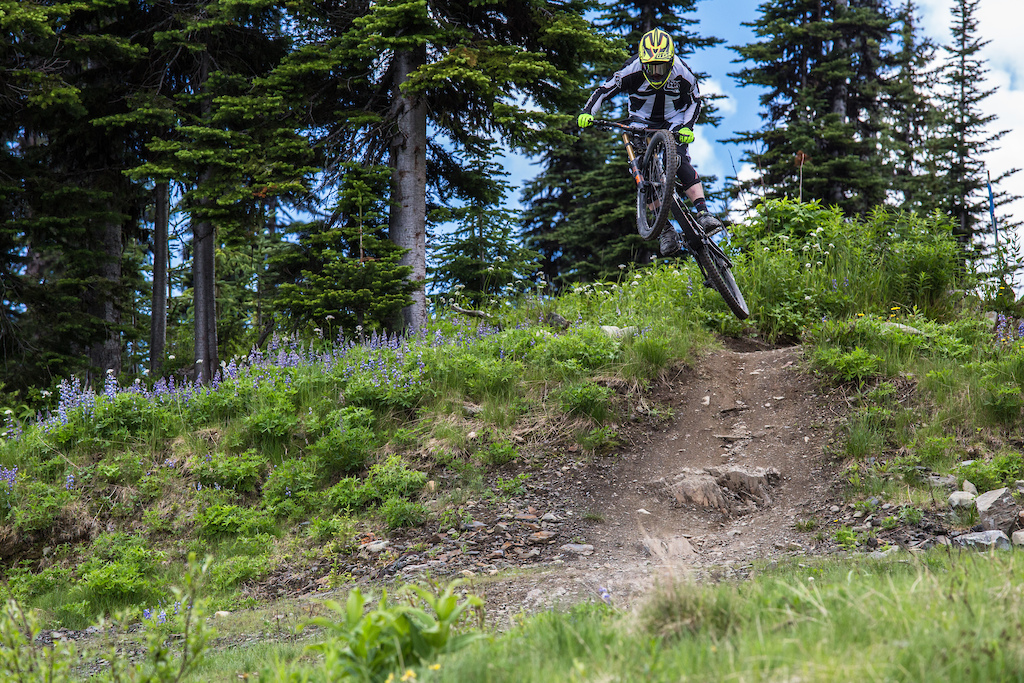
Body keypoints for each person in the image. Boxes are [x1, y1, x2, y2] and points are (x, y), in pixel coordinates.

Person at [577, 27, 723, 256]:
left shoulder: (683, 72)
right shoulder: (631, 70)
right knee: (641, 174)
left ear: (671, 60)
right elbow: (603, 91)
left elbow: (695, 101)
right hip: (639, 122)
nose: (656, 73)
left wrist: (687, 127)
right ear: (642, 63)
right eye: (651, 67)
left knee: (679, 158)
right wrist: (587, 112)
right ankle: (665, 230)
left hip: (674, 120)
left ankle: (704, 214)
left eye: (661, 66)